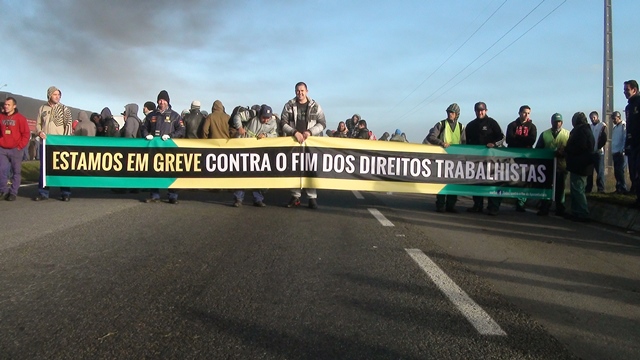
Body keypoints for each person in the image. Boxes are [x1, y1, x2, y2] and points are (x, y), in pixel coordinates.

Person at [280, 81, 326, 209]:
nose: (300, 93)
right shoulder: (289, 105)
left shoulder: (315, 106)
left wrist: (310, 132)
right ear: (295, 92)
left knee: (310, 168)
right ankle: (295, 196)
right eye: (297, 91)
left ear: (307, 91)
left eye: (302, 91)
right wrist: (294, 132)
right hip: (294, 142)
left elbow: (322, 123)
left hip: (310, 143)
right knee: (294, 168)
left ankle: (312, 197)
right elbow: (282, 123)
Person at [140, 90, 185, 204]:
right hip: (155, 148)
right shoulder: (151, 115)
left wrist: (170, 136)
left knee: (171, 170)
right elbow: (143, 127)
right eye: (160, 100)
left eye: (164, 100)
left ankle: (172, 196)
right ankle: (155, 195)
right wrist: (146, 135)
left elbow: (182, 130)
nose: (162, 102)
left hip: (169, 148)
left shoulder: (175, 115)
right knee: (154, 170)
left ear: (168, 101)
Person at [464, 101, 505, 216]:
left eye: (482, 110)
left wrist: (494, 144)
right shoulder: (470, 125)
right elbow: (467, 143)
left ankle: (493, 207)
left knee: (492, 183)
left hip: (492, 160)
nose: (480, 112)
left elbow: (502, 138)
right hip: (476, 160)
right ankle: (477, 205)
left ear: (486, 111)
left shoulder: (492, 123)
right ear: (475, 111)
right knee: (477, 183)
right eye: (478, 110)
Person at [233, 104, 278, 207]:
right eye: (263, 118)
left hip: (259, 152)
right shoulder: (252, 114)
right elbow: (237, 117)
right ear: (259, 115)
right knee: (242, 173)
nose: (266, 120)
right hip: (244, 148)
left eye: (268, 118)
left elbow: (275, 135)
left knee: (258, 174)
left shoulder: (273, 122)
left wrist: (266, 135)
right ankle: (238, 198)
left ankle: (258, 199)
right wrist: (239, 127)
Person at [424, 103, 466, 213]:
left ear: (457, 114)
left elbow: (464, 142)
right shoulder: (441, 124)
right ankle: (440, 205)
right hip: (442, 158)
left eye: (452, 112)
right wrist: (441, 143)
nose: (449, 114)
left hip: (455, 159)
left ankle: (451, 206)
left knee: (453, 183)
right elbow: (431, 137)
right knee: (442, 182)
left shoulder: (461, 127)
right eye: (448, 112)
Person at [34, 86, 73, 201]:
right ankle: (43, 192)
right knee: (45, 168)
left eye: (59, 95)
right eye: (55, 94)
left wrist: (64, 140)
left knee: (63, 167)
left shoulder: (64, 109)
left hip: (60, 143)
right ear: (49, 95)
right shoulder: (42, 108)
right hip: (46, 143)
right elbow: (38, 124)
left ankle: (65, 192)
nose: (57, 97)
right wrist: (40, 132)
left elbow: (68, 125)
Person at [535, 113, 570, 216]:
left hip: (561, 166)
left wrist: (563, 152)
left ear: (562, 123)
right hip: (547, 166)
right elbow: (538, 149)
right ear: (551, 122)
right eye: (555, 122)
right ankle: (544, 207)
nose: (557, 124)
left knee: (560, 188)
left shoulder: (567, 134)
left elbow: (571, 149)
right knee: (546, 187)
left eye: (559, 122)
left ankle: (560, 209)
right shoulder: (545, 134)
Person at [506, 105, 537, 212]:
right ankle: (512, 198)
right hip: (513, 157)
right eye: (524, 112)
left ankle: (521, 202)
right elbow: (509, 139)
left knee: (525, 180)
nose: (526, 115)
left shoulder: (532, 127)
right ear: (519, 113)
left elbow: (531, 140)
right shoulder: (512, 125)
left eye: (528, 113)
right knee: (512, 178)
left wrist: (518, 138)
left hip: (526, 158)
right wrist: (523, 139)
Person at [565, 112, 595, 222]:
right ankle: (576, 212)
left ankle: (582, 212)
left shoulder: (580, 131)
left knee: (578, 189)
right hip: (581, 164)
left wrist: (567, 149)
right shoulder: (586, 130)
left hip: (579, 164)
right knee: (576, 189)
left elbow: (580, 147)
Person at [0, 97, 30, 201]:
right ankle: (3, 190)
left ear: (14, 106)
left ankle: (13, 192)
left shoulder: (20, 118)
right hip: (2, 149)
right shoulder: (1, 117)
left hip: (16, 149)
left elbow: (26, 134)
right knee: (2, 170)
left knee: (16, 172)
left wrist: (20, 146)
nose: (6, 106)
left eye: (8, 105)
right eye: (5, 104)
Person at [625, 80, 640, 205]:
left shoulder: (639, 103)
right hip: (632, 144)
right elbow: (629, 126)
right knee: (633, 170)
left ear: (634, 90)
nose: (625, 92)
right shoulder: (628, 107)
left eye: (627, 90)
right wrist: (627, 143)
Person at [586, 111, 607, 193]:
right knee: (589, 172)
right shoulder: (590, 127)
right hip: (591, 152)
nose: (592, 119)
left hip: (599, 152)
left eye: (594, 118)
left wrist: (598, 147)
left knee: (600, 171)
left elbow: (604, 138)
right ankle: (588, 188)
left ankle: (601, 189)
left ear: (597, 117)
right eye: (591, 118)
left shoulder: (602, 125)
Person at [610, 111, 627, 194]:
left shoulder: (623, 126)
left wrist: (623, 149)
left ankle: (623, 187)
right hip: (615, 151)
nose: (613, 120)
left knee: (620, 171)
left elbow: (624, 138)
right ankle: (618, 187)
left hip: (620, 152)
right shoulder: (615, 128)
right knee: (616, 171)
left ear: (619, 117)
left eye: (614, 118)